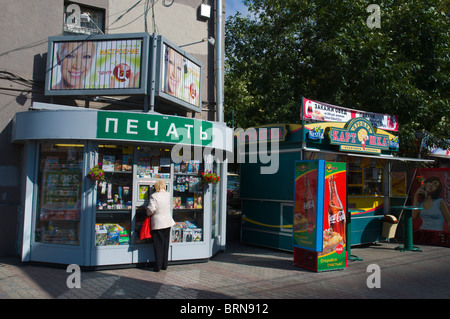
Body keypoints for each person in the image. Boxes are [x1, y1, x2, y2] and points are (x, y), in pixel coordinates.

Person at [147, 180, 175, 272]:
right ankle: (164, 265)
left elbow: (151, 209)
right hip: (167, 222)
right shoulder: (168, 195)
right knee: (165, 244)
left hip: (158, 223)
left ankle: (158, 266)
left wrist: (147, 212)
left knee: (158, 245)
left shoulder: (154, 196)